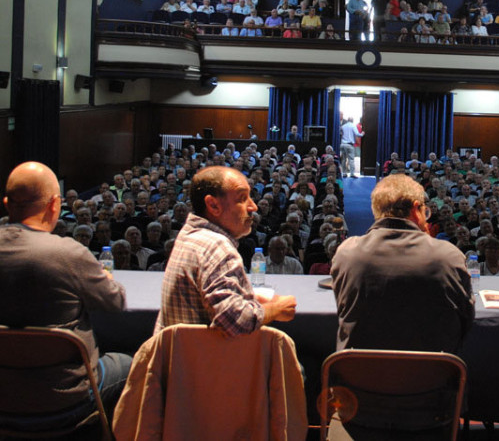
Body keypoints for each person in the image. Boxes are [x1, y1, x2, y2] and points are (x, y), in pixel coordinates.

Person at [0, 162, 131, 417]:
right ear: (54, 205)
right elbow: (116, 301)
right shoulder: (68, 253)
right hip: (65, 397)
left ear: (7, 203)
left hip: (3, 395)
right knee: (132, 362)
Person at [331, 173, 474, 352]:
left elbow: (343, 309)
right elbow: (466, 321)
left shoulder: (347, 253)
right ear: (416, 209)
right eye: (425, 211)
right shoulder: (449, 256)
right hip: (431, 376)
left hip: (359, 375)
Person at [156, 166, 296, 337]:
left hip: (179, 359)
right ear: (213, 205)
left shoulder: (189, 235)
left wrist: (248, 297)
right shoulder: (217, 247)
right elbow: (235, 321)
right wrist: (275, 308)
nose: (253, 207)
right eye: (242, 198)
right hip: (205, 362)